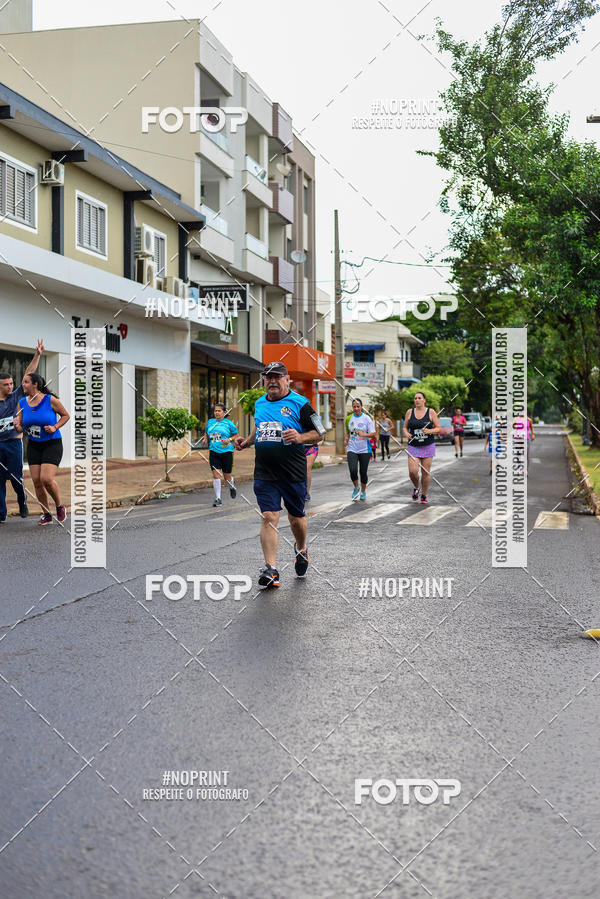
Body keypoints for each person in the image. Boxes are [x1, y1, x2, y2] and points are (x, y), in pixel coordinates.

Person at [233, 361, 325, 589]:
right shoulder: (260, 402)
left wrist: (301, 437)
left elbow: (320, 433)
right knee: (269, 517)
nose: (272, 381)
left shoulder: (301, 404)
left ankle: (301, 548)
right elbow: (260, 427)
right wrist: (246, 441)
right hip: (265, 471)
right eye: (268, 377)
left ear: (287, 379)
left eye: (277, 377)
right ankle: (271, 569)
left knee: (296, 519)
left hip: (292, 470)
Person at [13, 372, 70, 525]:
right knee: (37, 482)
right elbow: (20, 428)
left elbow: (65, 415)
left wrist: (55, 426)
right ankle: (46, 514)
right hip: (34, 445)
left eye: (26, 382)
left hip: (52, 443)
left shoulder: (50, 400)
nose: (23, 385)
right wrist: (17, 426)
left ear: (35, 384)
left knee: (46, 479)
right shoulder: (22, 403)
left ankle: (59, 506)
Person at [0, 340, 44, 522]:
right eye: (6, 385)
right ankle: (1, 514)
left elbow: (28, 373)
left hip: (14, 443)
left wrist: (38, 354)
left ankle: (22, 502)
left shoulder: (16, 396)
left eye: (11, 384)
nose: (10, 387)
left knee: (17, 477)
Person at [403, 391, 441, 504]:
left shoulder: (431, 412)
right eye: (415, 398)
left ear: (424, 400)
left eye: (419, 398)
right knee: (413, 472)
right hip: (413, 446)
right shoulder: (409, 412)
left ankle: (424, 495)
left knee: (425, 473)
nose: (417, 400)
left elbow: (438, 427)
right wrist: (406, 433)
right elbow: (405, 427)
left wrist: (429, 430)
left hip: (427, 445)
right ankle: (416, 487)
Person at [200, 402, 238, 507]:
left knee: (227, 477)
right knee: (216, 475)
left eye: (219, 411)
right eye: (215, 411)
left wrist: (229, 439)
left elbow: (236, 434)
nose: (216, 413)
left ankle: (231, 486)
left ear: (224, 412)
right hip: (213, 452)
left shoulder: (229, 423)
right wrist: (205, 438)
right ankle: (218, 498)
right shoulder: (210, 422)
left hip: (227, 452)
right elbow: (207, 432)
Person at [345, 398, 376, 501]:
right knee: (353, 470)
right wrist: (346, 440)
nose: (356, 408)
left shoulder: (366, 418)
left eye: (358, 406)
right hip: (352, 448)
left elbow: (373, 434)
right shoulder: (349, 418)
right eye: (354, 406)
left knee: (363, 472)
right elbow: (347, 432)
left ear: (361, 407)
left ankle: (363, 491)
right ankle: (356, 487)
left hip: (364, 450)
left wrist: (364, 434)